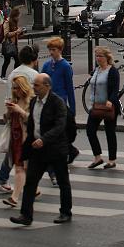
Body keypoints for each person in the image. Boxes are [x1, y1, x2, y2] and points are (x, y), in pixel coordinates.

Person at [10, 74, 72, 226]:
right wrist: (27, 147)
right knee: (30, 181)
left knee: (63, 181)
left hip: (55, 148)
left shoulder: (57, 102)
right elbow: (32, 125)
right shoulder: (33, 102)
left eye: (37, 85)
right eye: (34, 85)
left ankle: (65, 212)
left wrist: (44, 139)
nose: (34, 88)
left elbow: (59, 126)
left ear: (47, 86)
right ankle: (26, 215)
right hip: (38, 149)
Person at [0, 45, 39, 194]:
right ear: (34, 59)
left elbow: (9, 97)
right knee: (29, 152)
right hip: (26, 116)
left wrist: (7, 113)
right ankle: (53, 175)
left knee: (14, 151)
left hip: (13, 115)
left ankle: (2, 179)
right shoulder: (34, 75)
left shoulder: (12, 73)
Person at [41, 37, 78, 167]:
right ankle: (70, 151)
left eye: (54, 50)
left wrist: (72, 109)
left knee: (57, 130)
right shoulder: (46, 65)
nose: (51, 52)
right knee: (52, 130)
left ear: (60, 50)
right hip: (47, 102)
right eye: (50, 50)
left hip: (60, 102)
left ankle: (66, 152)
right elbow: (41, 83)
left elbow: (69, 88)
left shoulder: (65, 66)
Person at [86, 46, 121, 170]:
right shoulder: (96, 70)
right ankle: (97, 157)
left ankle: (112, 160)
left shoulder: (112, 71)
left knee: (110, 132)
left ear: (107, 57)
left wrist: (110, 100)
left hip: (109, 106)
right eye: (96, 56)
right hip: (96, 106)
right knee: (90, 130)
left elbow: (115, 88)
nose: (98, 58)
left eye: (100, 56)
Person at [1, 75, 34, 208]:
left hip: (25, 138)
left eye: (17, 88)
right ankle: (34, 189)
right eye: (13, 88)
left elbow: (32, 121)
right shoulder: (14, 100)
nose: (15, 91)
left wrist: (19, 110)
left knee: (20, 168)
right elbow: (5, 120)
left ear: (23, 88)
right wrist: (8, 112)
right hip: (14, 139)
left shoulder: (30, 101)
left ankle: (14, 198)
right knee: (22, 167)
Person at [0, 7, 23, 82]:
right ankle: (3, 77)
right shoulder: (7, 22)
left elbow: (15, 34)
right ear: (14, 16)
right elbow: (6, 34)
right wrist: (16, 32)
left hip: (14, 44)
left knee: (17, 60)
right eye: (17, 16)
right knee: (7, 61)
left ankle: (14, 76)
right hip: (8, 45)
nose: (18, 18)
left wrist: (20, 32)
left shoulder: (14, 22)